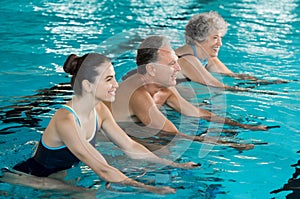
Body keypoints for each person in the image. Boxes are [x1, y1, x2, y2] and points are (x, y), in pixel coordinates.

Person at [2, 53, 200, 195]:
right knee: (89, 194)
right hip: (32, 176)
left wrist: (175, 164)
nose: (116, 84)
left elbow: (130, 146)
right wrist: (148, 188)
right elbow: (101, 168)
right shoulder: (66, 119)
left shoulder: (100, 110)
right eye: (108, 79)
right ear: (88, 85)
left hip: (61, 172)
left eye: (114, 77)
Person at [105, 36, 276, 151]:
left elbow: (196, 112)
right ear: (151, 69)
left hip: (136, 127)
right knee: (163, 150)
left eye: (177, 62)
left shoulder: (165, 87)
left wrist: (243, 126)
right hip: (106, 135)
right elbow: (172, 133)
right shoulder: (139, 94)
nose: (178, 69)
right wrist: (229, 144)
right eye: (172, 64)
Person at [175, 11, 286, 91]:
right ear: (200, 38)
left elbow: (233, 75)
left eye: (220, 38)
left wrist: (268, 82)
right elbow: (217, 85)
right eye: (215, 38)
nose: (220, 43)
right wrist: (259, 92)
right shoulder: (186, 59)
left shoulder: (206, 56)